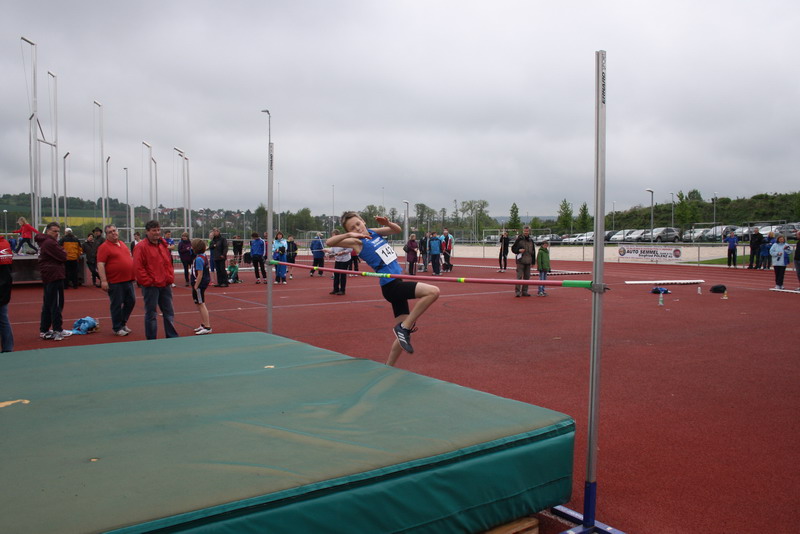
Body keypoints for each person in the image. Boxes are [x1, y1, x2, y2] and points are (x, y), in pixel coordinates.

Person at [327, 212, 439, 366]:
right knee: (433, 292)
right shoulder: (356, 241)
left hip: (397, 281)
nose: (357, 228)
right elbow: (329, 242)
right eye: (352, 228)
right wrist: (349, 234)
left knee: (403, 337)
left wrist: (388, 223)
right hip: (390, 285)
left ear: (363, 221)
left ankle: (389, 365)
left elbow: (397, 230)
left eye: (358, 224)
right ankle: (404, 328)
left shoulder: (373, 232)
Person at [133, 220, 179, 340]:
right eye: (154, 230)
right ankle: (152, 339)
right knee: (151, 313)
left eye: (158, 230)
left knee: (169, 312)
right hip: (151, 286)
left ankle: (172, 337)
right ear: (147, 232)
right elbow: (138, 267)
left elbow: (167, 263)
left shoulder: (162, 244)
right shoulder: (141, 247)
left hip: (165, 284)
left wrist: (169, 277)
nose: (157, 233)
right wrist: (148, 282)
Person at [35, 222, 72, 341]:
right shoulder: (50, 243)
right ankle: (57, 329)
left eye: (58, 231)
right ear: (48, 231)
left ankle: (44, 330)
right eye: (54, 231)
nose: (57, 234)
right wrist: (62, 252)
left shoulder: (44, 242)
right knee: (56, 304)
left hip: (49, 275)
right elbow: (63, 256)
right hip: (54, 275)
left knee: (48, 303)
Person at [97, 225, 136, 337]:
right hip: (115, 281)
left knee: (131, 301)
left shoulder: (122, 244)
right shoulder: (104, 247)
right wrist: (103, 281)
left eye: (114, 230)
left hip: (128, 280)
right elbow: (100, 264)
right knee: (116, 305)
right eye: (110, 232)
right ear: (106, 235)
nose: (113, 233)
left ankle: (122, 323)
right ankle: (117, 327)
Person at [190, 238, 213, 335]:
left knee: (201, 303)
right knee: (198, 303)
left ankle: (207, 326)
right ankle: (203, 324)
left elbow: (200, 274)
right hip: (200, 283)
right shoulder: (202, 256)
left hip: (199, 284)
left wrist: (196, 286)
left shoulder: (199, 259)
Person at [511, 226, 536, 297]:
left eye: (527, 231)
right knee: (519, 277)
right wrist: (518, 250)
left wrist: (533, 262)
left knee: (527, 277)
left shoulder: (531, 240)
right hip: (520, 261)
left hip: (528, 261)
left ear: (529, 231)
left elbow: (533, 252)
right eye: (525, 231)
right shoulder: (519, 239)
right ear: (523, 231)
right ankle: (517, 291)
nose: (526, 232)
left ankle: (524, 291)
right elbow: (513, 249)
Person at [326, 230, 352, 295]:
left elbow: (350, 249)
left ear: (337, 235)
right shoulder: (334, 242)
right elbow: (332, 250)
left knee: (342, 275)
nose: (332, 237)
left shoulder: (344, 241)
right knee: (336, 275)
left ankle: (342, 290)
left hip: (345, 260)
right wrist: (328, 252)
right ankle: (335, 289)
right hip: (338, 260)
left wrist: (342, 252)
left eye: (333, 235)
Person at [0, 234, 14, 352]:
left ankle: (8, 348)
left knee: (3, 319)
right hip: (4, 286)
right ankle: (8, 348)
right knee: (3, 319)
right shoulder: (5, 243)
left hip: (3, 285)